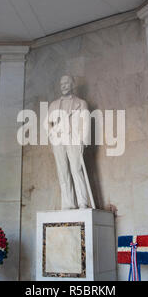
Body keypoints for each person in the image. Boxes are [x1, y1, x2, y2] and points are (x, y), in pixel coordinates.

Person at [44, 75, 93, 210]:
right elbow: (47, 123)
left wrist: (83, 140)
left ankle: (82, 202)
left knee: (77, 170)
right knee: (63, 172)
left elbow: (86, 123)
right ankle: (68, 203)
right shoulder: (54, 105)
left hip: (74, 140)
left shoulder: (81, 103)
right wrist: (54, 133)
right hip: (59, 141)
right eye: (62, 84)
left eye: (66, 83)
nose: (64, 86)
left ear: (72, 85)